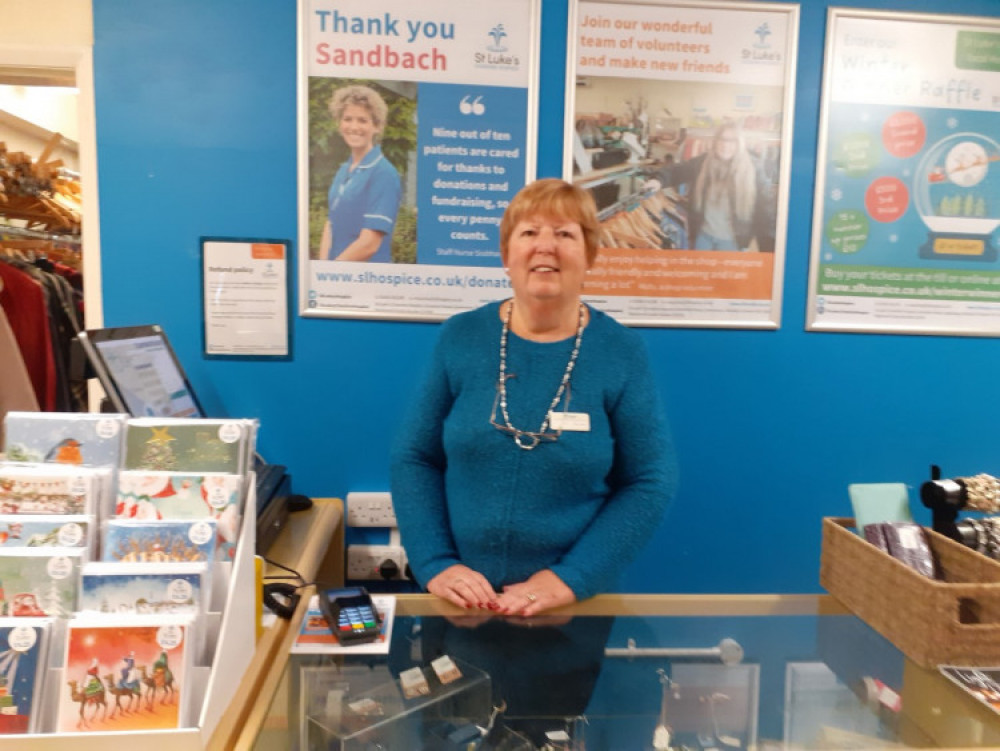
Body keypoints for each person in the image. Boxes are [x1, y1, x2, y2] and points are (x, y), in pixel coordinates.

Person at [390, 178, 676, 617]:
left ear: (590, 254)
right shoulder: (460, 337)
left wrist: (571, 577)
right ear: (507, 256)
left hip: (568, 611)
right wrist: (435, 563)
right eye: (529, 233)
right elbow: (414, 457)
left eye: (564, 234)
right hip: (459, 607)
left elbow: (650, 480)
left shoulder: (621, 351)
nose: (546, 246)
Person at [645, 122, 772, 251]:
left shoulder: (753, 169)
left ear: (739, 143)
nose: (725, 145)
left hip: (732, 241)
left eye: (732, 141)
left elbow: (766, 212)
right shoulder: (703, 162)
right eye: (721, 139)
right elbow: (677, 171)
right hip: (703, 237)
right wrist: (657, 180)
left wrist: (768, 251)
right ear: (715, 141)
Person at [319, 85, 401, 262]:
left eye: (363, 120)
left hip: (365, 281)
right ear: (339, 123)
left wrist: (332, 274)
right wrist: (323, 267)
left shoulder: (383, 173)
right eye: (348, 119)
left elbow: (369, 243)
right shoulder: (343, 171)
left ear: (376, 126)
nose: (354, 127)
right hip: (335, 278)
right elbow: (330, 224)